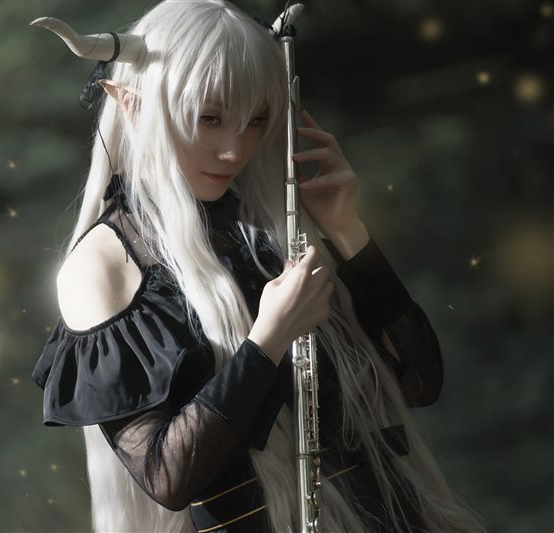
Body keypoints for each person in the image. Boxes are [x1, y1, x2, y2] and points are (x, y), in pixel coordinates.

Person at [32, 1, 483, 531]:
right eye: (210, 118)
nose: (235, 150)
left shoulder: (266, 229)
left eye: (256, 120)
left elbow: (419, 383)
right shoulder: (102, 266)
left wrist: (348, 232)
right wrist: (267, 341)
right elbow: (168, 476)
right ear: (131, 105)